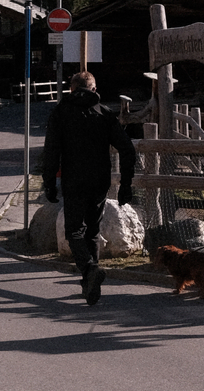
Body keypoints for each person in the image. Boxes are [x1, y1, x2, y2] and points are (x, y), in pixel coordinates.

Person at [42, 71, 137, 305]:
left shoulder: (61, 113)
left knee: (74, 231)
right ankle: (89, 282)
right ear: (94, 90)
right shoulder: (104, 113)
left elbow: (51, 151)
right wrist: (126, 184)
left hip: (74, 181)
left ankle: (89, 269)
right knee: (92, 230)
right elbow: (127, 149)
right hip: (99, 181)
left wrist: (49, 182)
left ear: (71, 90)